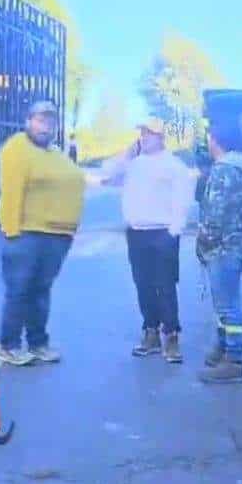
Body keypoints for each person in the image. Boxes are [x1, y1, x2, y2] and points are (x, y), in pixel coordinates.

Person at [0, 100, 87, 366]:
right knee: (20, 290)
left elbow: (77, 180)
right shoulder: (17, 148)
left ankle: (37, 343)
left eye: (51, 121)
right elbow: (11, 191)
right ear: (28, 121)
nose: (46, 125)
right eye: (40, 119)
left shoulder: (56, 154)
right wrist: (12, 232)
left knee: (41, 291)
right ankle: (9, 345)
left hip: (56, 236)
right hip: (26, 234)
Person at [102, 118, 194, 363]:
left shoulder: (174, 166)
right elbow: (107, 174)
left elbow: (182, 201)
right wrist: (126, 156)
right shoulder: (134, 164)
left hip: (163, 232)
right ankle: (150, 332)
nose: (144, 137)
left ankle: (171, 335)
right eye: (142, 133)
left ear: (161, 137)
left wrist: (174, 231)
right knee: (142, 284)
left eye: (149, 133)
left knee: (165, 285)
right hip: (136, 232)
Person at [196, 123, 242, 384]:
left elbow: (215, 215)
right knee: (224, 304)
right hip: (235, 244)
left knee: (228, 307)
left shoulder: (223, 171)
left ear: (216, 140)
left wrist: (202, 242)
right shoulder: (241, 170)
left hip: (221, 248)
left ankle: (233, 359)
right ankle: (222, 348)